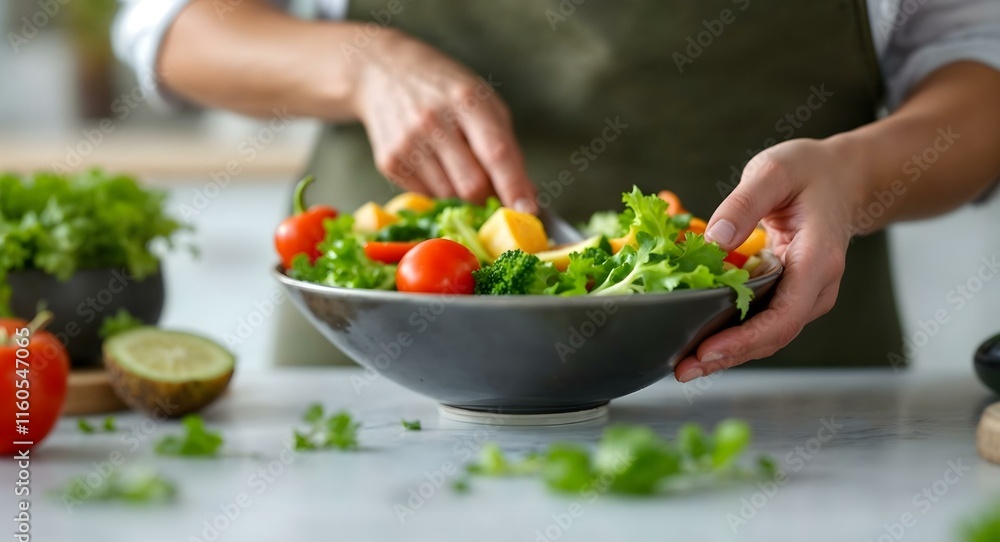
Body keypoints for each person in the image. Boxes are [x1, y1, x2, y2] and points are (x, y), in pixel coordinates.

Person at [114, 0, 1000, 378]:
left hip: (782, 393)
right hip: (391, 389)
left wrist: (854, 174)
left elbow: (982, 66)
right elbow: (170, 24)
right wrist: (359, 65)